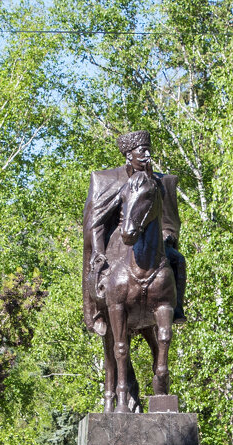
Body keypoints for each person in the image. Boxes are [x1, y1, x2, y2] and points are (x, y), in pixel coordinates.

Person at [83, 129, 187, 337]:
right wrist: (98, 251)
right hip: (119, 243)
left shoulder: (162, 182)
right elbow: (96, 223)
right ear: (129, 155)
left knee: (178, 260)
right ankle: (97, 312)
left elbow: (170, 220)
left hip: (152, 245)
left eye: (148, 151)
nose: (147, 156)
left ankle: (176, 308)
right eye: (142, 151)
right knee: (98, 272)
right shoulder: (107, 180)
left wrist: (169, 236)